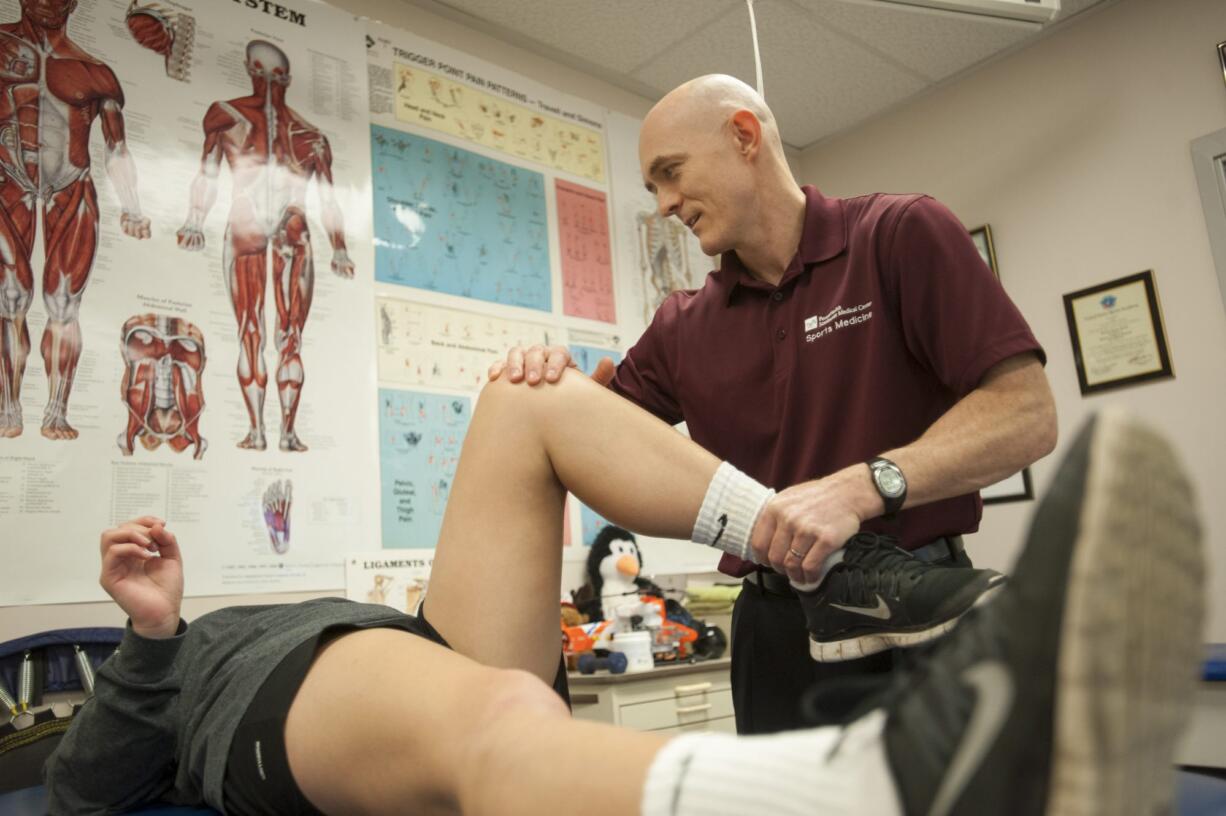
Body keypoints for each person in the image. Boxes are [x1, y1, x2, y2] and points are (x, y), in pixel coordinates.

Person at [43, 371, 1203, 816]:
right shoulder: (172, 667)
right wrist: (151, 635)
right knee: (510, 719)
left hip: (404, 648)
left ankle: (835, 567)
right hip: (261, 709)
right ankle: (873, 784)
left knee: (523, 402)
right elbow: (79, 791)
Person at [490, 74, 1058, 733]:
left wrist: (860, 489)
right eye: (653, 189)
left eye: (670, 174)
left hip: (914, 609)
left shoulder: (897, 235)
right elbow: (586, 447)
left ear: (743, 135)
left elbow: (1026, 412)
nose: (666, 204)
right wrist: (550, 388)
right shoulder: (682, 326)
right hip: (772, 630)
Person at [176, 40, 355, 453]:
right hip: (270, 227)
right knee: (264, 334)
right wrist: (193, 221)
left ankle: (272, 432)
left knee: (270, 335)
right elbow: (208, 173)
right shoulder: (246, 120)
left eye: (272, 77)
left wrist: (341, 248)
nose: (268, 84)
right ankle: (268, 431)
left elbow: (329, 199)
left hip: (268, 226)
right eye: (263, 74)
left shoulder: (299, 133)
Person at [0, 0, 152, 441]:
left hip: (72, 186)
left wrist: (133, 206)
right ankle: (9, 404)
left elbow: (116, 146)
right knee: (10, 298)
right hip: (8, 180)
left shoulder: (94, 71)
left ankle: (55, 411)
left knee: (64, 304)